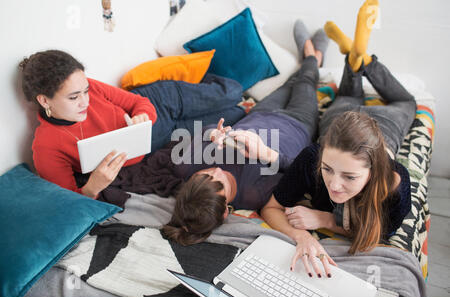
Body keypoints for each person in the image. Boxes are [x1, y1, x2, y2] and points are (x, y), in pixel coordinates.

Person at [260, 0, 416, 279]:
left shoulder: (395, 187)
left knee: (407, 101)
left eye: (350, 177)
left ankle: (359, 59)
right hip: (342, 118)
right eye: (328, 169)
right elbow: (271, 207)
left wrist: (326, 220)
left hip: (388, 124)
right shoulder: (313, 156)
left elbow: (377, 234)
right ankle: (357, 59)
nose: (334, 184)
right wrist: (302, 236)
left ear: (373, 171)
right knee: (347, 98)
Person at [162, 23, 330, 246]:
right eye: (220, 185)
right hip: (298, 124)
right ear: (225, 212)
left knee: (291, 82)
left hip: (261, 113)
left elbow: (204, 131)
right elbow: (303, 171)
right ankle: (312, 56)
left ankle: (311, 58)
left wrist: (213, 134)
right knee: (306, 82)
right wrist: (267, 154)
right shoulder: (253, 194)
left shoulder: (186, 169)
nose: (217, 171)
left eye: (205, 175)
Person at [19, 50, 244, 200]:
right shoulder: (47, 146)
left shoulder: (92, 88)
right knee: (238, 113)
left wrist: (142, 115)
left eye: (86, 91)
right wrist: (92, 187)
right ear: (44, 100)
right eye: (74, 97)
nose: (85, 101)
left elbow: (138, 102)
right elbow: (70, 201)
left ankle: (193, 79)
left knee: (235, 91)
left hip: (162, 102)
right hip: (156, 141)